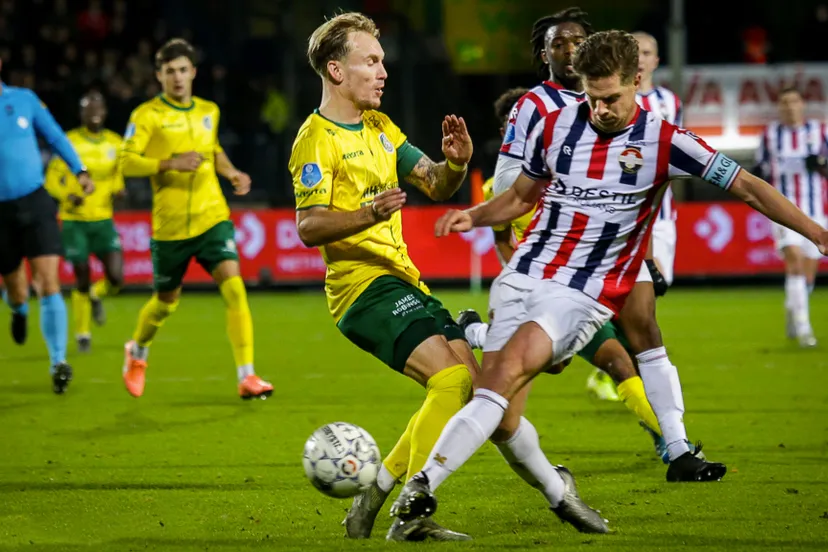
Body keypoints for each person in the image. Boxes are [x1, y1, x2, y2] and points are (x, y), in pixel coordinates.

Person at [391, 30, 826, 529]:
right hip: (523, 275)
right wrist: (478, 214)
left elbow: (748, 187)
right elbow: (522, 198)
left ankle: (422, 484)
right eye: (593, 99)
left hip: (583, 290)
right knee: (500, 405)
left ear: (637, 81)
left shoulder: (666, 141)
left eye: (612, 99)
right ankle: (556, 495)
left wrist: (816, 231)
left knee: (510, 370)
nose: (601, 110)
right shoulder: (554, 127)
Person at [290, 12, 484, 542]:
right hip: (361, 288)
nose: (383, 72)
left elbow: (436, 185)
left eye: (382, 61)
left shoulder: (381, 128)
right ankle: (396, 502)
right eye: (370, 61)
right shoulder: (316, 140)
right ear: (336, 70)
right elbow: (309, 226)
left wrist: (456, 165)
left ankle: (390, 503)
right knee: (451, 381)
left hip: (403, 279)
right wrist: (369, 214)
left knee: (472, 385)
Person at [459, 9, 675, 464]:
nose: (571, 49)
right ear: (546, 54)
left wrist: (647, 253)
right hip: (555, 259)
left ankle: (671, 440)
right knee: (563, 362)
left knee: (636, 343)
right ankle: (479, 335)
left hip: (611, 251)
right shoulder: (534, 108)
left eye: (578, 41)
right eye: (560, 43)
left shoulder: (621, 105)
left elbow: (638, 192)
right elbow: (507, 189)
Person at [120, 39, 273, 400]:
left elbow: (212, 149)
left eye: (183, 70)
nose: (177, 77)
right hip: (170, 227)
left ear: (193, 73)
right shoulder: (146, 116)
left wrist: (232, 173)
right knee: (165, 303)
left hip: (212, 217)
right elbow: (126, 161)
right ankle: (137, 350)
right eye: (169, 71)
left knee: (235, 289)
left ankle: (247, 376)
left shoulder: (209, 110)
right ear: (158, 76)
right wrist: (170, 163)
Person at [0, 59, 93, 394]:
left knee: (49, 281)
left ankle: (58, 363)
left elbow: (54, 135)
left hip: (35, 203)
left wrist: (80, 169)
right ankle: (18, 309)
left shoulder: (24, 99)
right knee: (17, 289)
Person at [44, 91, 124, 353]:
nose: (94, 112)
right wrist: (67, 195)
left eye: (99, 107)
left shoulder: (115, 143)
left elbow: (117, 176)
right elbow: (51, 180)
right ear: (81, 114)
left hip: (103, 220)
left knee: (116, 278)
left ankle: (95, 295)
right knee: (81, 275)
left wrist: (119, 189)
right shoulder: (69, 142)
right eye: (89, 108)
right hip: (74, 220)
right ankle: (82, 335)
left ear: (105, 111)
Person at [755, 87, 826, 347]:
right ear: (779, 107)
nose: (790, 107)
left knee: (808, 272)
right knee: (794, 260)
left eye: (794, 102)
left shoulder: (820, 132)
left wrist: (820, 164)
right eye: (785, 103)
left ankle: (794, 309)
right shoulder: (770, 135)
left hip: (816, 210)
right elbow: (759, 171)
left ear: (803, 104)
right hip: (782, 212)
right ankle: (805, 328)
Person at [634, 31, 682, 286]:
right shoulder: (612, 99)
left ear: (656, 60)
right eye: (634, 52)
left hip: (661, 212)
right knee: (637, 285)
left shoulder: (670, 102)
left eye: (646, 53)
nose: (640, 59)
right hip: (623, 210)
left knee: (659, 283)